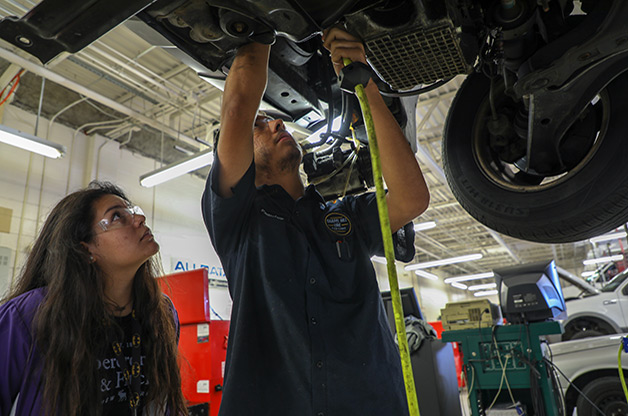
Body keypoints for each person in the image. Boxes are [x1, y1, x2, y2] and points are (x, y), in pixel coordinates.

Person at [201, 27, 430, 416]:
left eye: (276, 121)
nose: (277, 125)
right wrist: (264, 21)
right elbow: (238, 108)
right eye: (262, 126)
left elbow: (412, 198)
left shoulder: (345, 217)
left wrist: (365, 84)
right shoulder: (238, 220)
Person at [0, 182, 187, 416]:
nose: (140, 219)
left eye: (133, 211)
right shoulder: (29, 315)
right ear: (86, 249)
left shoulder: (161, 313)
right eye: (118, 216)